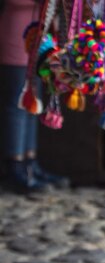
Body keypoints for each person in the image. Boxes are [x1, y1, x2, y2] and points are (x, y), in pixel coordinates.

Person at [0, 0, 69, 193]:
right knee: (17, 103)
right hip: (17, 34)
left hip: (40, 37)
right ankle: (14, 166)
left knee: (33, 101)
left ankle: (30, 164)